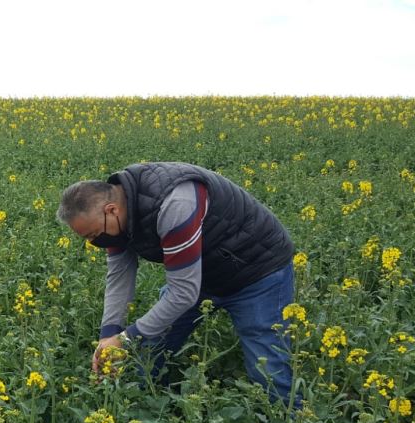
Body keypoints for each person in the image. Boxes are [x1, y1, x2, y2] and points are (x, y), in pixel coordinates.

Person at [57, 162, 297, 403]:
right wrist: (109, 334)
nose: (94, 242)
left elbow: (183, 293)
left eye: (93, 235)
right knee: (147, 355)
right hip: (198, 274)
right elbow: (120, 276)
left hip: (257, 270)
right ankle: (142, 412)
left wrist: (125, 339)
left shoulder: (175, 204)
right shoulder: (117, 218)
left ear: (111, 210)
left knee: (269, 375)